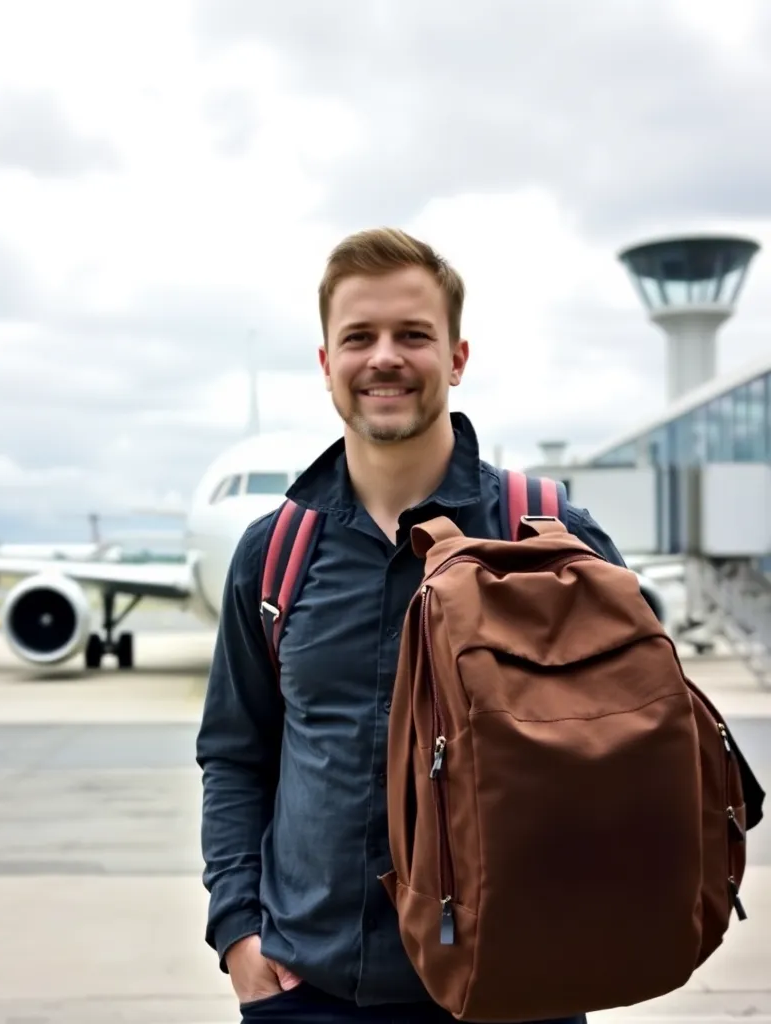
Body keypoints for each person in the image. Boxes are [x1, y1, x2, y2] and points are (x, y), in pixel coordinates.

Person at [195, 227, 627, 1022]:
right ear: (327, 363)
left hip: (517, 987)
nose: (385, 357)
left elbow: (632, 740)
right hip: (309, 987)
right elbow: (234, 753)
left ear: (457, 358)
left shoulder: (549, 534)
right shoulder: (275, 555)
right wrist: (237, 934)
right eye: (359, 336)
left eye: (413, 335)